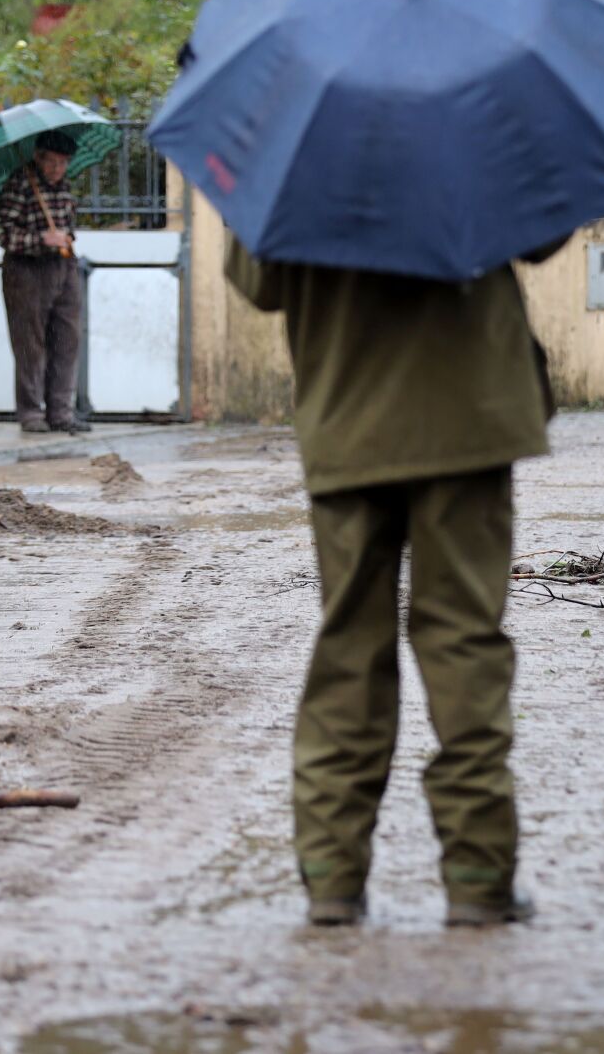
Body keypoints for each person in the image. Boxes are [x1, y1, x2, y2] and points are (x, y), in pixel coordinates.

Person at [225, 236, 559, 928]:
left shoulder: (296, 141)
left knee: (349, 644)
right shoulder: (476, 124)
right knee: (463, 639)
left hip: (348, 418)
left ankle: (330, 878)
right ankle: (477, 876)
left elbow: (259, 280)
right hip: (470, 414)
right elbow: (541, 231)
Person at [0, 130, 88, 434]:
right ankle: (31, 413)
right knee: (30, 344)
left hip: (64, 267)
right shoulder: (19, 184)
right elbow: (4, 234)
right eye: (52, 163)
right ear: (38, 157)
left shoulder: (64, 186)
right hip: (27, 271)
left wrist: (66, 238)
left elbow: (68, 223)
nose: (57, 169)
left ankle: (61, 412)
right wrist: (41, 239)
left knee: (67, 340)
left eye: (63, 163)